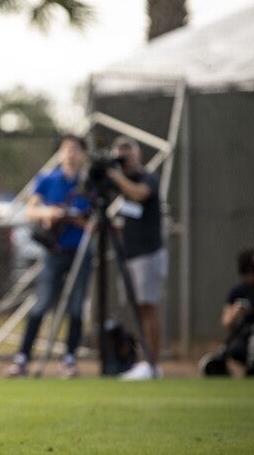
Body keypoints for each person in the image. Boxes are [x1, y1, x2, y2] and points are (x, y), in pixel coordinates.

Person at [8, 134, 92, 379]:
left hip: (80, 253)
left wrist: (76, 217)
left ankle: (69, 360)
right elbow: (30, 210)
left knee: (76, 308)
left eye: (76, 149)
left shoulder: (88, 183)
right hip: (53, 252)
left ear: (83, 154)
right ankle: (23, 358)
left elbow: (94, 218)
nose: (71, 154)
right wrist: (50, 212)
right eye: (66, 149)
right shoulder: (47, 179)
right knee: (41, 305)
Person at [106, 136, 168, 381]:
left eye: (128, 153)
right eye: (120, 154)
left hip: (148, 253)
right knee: (138, 309)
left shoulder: (147, 177)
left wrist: (116, 176)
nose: (125, 158)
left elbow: (140, 195)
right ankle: (146, 362)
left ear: (138, 154)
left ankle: (153, 364)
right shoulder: (122, 184)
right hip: (130, 255)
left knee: (148, 307)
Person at [200, 247, 254, 376]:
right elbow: (226, 322)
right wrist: (237, 311)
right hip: (243, 336)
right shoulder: (237, 291)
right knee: (234, 348)